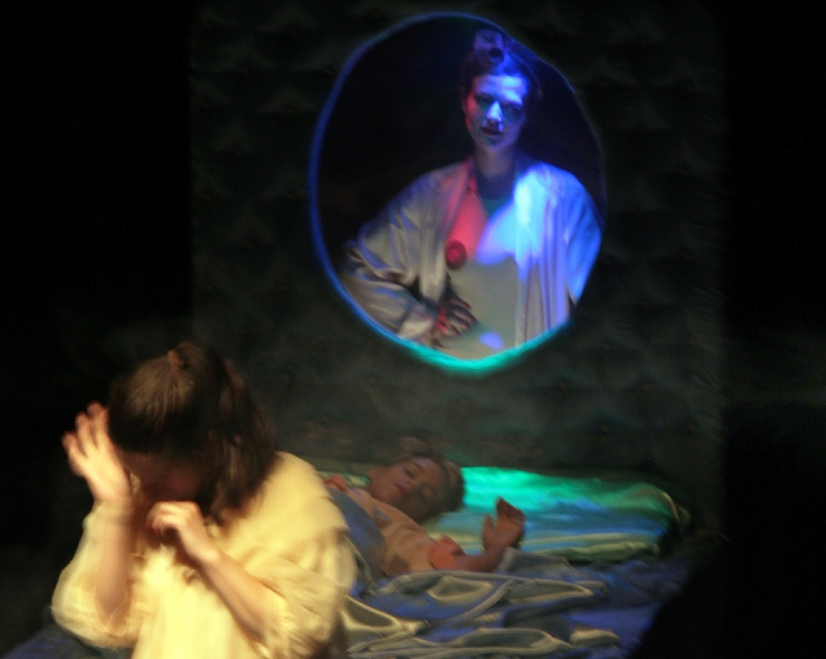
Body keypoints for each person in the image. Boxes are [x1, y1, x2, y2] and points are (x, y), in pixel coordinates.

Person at [50, 342, 355, 659]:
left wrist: (208, 556)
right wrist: (117, 510)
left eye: (162, 476)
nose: (148, 491)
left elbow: (298, 638)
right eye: (136, 473)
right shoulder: (140, 493)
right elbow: (109, 623)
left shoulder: (293, 494)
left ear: (210, 449)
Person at [340, 29, 602, 359]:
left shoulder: (563, 197)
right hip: (445, 380)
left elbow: (600, 302)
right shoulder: (431, 195)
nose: (494, 117)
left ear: (527, 115)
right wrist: (424, 320)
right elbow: (357, 269)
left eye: (510, 107)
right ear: (464, 99)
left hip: (527, 385)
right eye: (484, 100)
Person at [322, 440, 525, 577]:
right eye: (410, 472)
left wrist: (496, 550)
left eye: (424, 496)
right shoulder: (324, 484)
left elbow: (450, 568)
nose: (413, 486)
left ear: (422, 516)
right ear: (376, 471)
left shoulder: (400, 530)